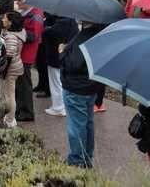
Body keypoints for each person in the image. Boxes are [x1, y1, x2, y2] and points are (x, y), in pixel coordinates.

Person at [60, 21, 107, 168]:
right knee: (87, 123)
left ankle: (77, 160)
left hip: (76, 87)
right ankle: (86, 158)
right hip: (91, 86)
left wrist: (62, 52)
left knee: (77, 125)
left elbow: (74, 63)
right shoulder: (100, 35)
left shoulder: (85, 36)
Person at [14, 0, 44, 122]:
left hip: (27, 54)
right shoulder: (27, 14)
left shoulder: (35, 15)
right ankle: (20, 109)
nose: (17, 3)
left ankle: (27, 112)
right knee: (20, 83)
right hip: (21, 53)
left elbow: (34, 37)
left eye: (19, 0)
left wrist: (19, 29)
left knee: (25, 84)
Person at [42, 15, 79, 117]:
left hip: (55, 57)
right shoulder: (72, 21)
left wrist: (47, 27)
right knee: (61, 82)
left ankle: (58, 107)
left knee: (56, 83)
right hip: (65, 56)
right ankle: (62, 106)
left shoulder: (62, 22)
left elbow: (48, 33)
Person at [0, 11, 26, 128]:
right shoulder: (18, 32)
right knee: (9, 93)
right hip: (15, 66)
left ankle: (10, 119)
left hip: (10, 69)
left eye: (5, 18)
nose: (2, 20)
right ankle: (9, 117)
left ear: (11, 22)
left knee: (9, 95)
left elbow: (9, 55)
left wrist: (3, 70)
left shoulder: (11, 36)